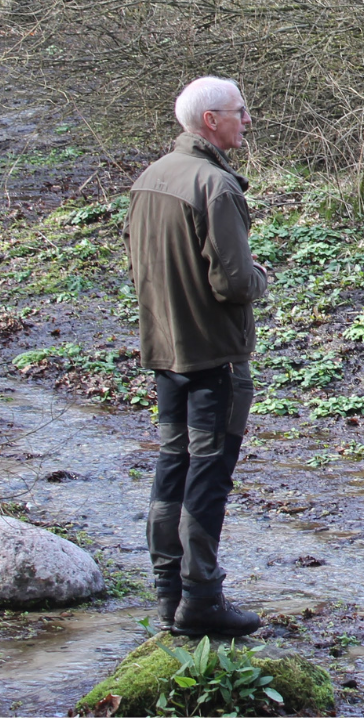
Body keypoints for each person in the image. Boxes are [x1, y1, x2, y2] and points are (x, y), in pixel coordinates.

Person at [126, 77, 269, 636]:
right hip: (215, 358)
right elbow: (233, 282)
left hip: (166, 351)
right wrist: (261, 277)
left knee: (172, 467)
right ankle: (201, 598)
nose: (247, 120)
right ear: (211, 120)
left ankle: (168, 596)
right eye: (240, 110)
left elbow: (140, 268)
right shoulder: (216, 186)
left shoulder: (150, 179)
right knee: (208, 475)